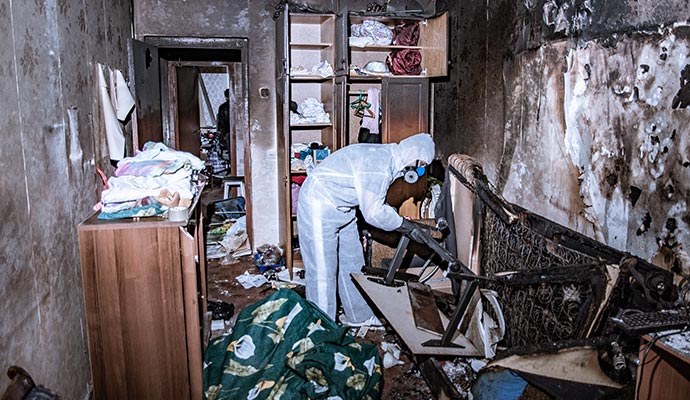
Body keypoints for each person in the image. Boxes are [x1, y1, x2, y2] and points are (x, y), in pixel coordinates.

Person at [297, 133, 435, 326]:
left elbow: (373, 197)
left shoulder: (392, 158)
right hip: (319, 204)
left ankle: (358, 315)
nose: (419, 170)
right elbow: (373, 213)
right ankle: (322, 326)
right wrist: (404, 225)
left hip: (343, 207)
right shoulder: (380, 165)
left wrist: (398, 219)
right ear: (414, 154)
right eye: (421, 165)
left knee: (352, 262)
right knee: (322, 270)